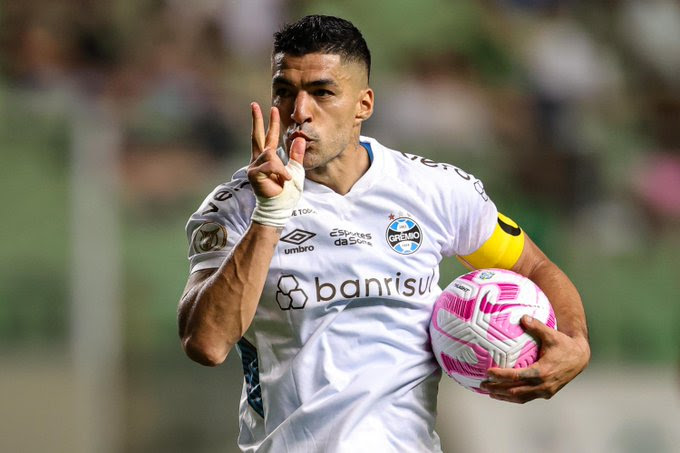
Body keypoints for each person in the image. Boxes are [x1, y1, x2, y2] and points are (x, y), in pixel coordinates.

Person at [178, 14, 590, 452]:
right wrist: (270, 215)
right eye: (285, 91)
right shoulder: (236, 207)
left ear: (364, 104)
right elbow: (207, 344)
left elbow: (534, 267)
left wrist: (577, 343)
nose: (299, 112)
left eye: (322, 93)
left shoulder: (435, 190)